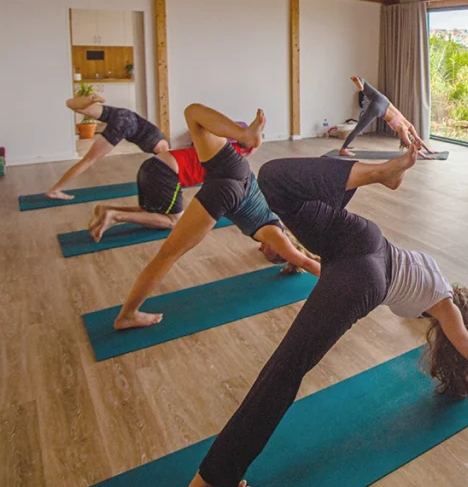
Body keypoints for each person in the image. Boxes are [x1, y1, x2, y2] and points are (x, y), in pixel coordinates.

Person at [183, 150, 468, 487]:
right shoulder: (444, 308)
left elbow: (418, 302)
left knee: (273, 179)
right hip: (365, 276)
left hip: (365, 237)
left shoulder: (435, 274)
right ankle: (211, 480)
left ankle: (377, 173)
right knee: (286, 369)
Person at [113, 104, 318, 331]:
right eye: (267, 253)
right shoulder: (277, 237)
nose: (260, 249)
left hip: (239, 171)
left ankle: (244, 136)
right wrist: (341, 279)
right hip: (229, 192)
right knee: (167, 255)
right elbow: (305, 262)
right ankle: (127, 315)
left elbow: (307, 256)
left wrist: (318, 256)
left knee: (193, 114)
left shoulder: (278, 224)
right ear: (278, 250)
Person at [88, 138, 255, 243]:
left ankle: (106, 209)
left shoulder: (216, 146)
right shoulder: (233, 160)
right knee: (174, 221)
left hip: (150, 166)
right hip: (165, 174)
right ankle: (116, 216)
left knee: (152, 211)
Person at [46, 94, 169, 200]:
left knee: (72, 105)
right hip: (126, 124)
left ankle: (90, 99)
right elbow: (168, 166)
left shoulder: (160, 140)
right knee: (89, 160)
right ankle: (55, 190)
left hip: (123, 114)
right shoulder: (162, 147)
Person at [338, 76, 433, 157]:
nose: (417, 142)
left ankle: (361, 85)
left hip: (384, 100)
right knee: (358, 129)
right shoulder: (404, 130)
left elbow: (416, 141)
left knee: (362, 81)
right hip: (380, 109)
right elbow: (414, 143)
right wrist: (426, 154)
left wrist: (428, 152)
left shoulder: (408, 127)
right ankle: (343, 149)